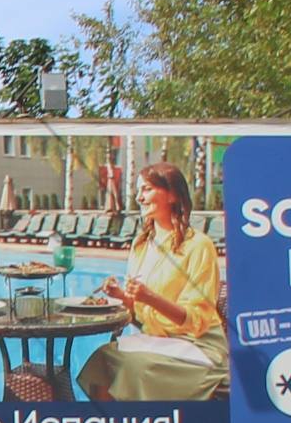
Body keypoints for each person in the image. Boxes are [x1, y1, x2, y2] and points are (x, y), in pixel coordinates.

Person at [88, 161, 227, 401]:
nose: (139, 198)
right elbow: (139, 315)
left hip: (197, 345)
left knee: (134, 368)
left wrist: (149, 297)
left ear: (172, 195)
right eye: (138, 191)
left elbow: (196, 321)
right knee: (101, 359)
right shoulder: (141, 245)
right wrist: (124, 297)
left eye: (147, 189)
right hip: (158, 340)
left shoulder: (198, 245)